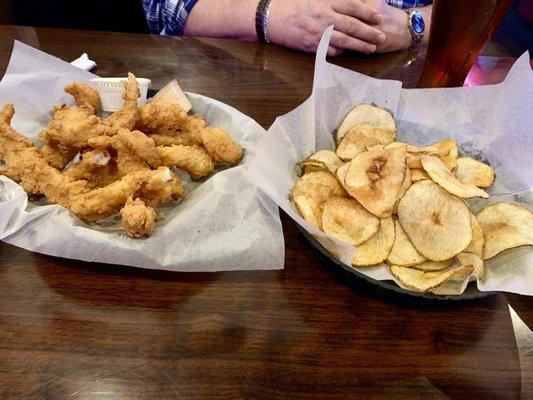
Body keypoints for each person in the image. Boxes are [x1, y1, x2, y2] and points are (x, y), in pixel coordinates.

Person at [143, 0, 433, 56]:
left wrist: (412, 26)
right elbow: (163, 10)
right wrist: (271, 16)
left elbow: (473, 16)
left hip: (400, 74)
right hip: (236, 80)